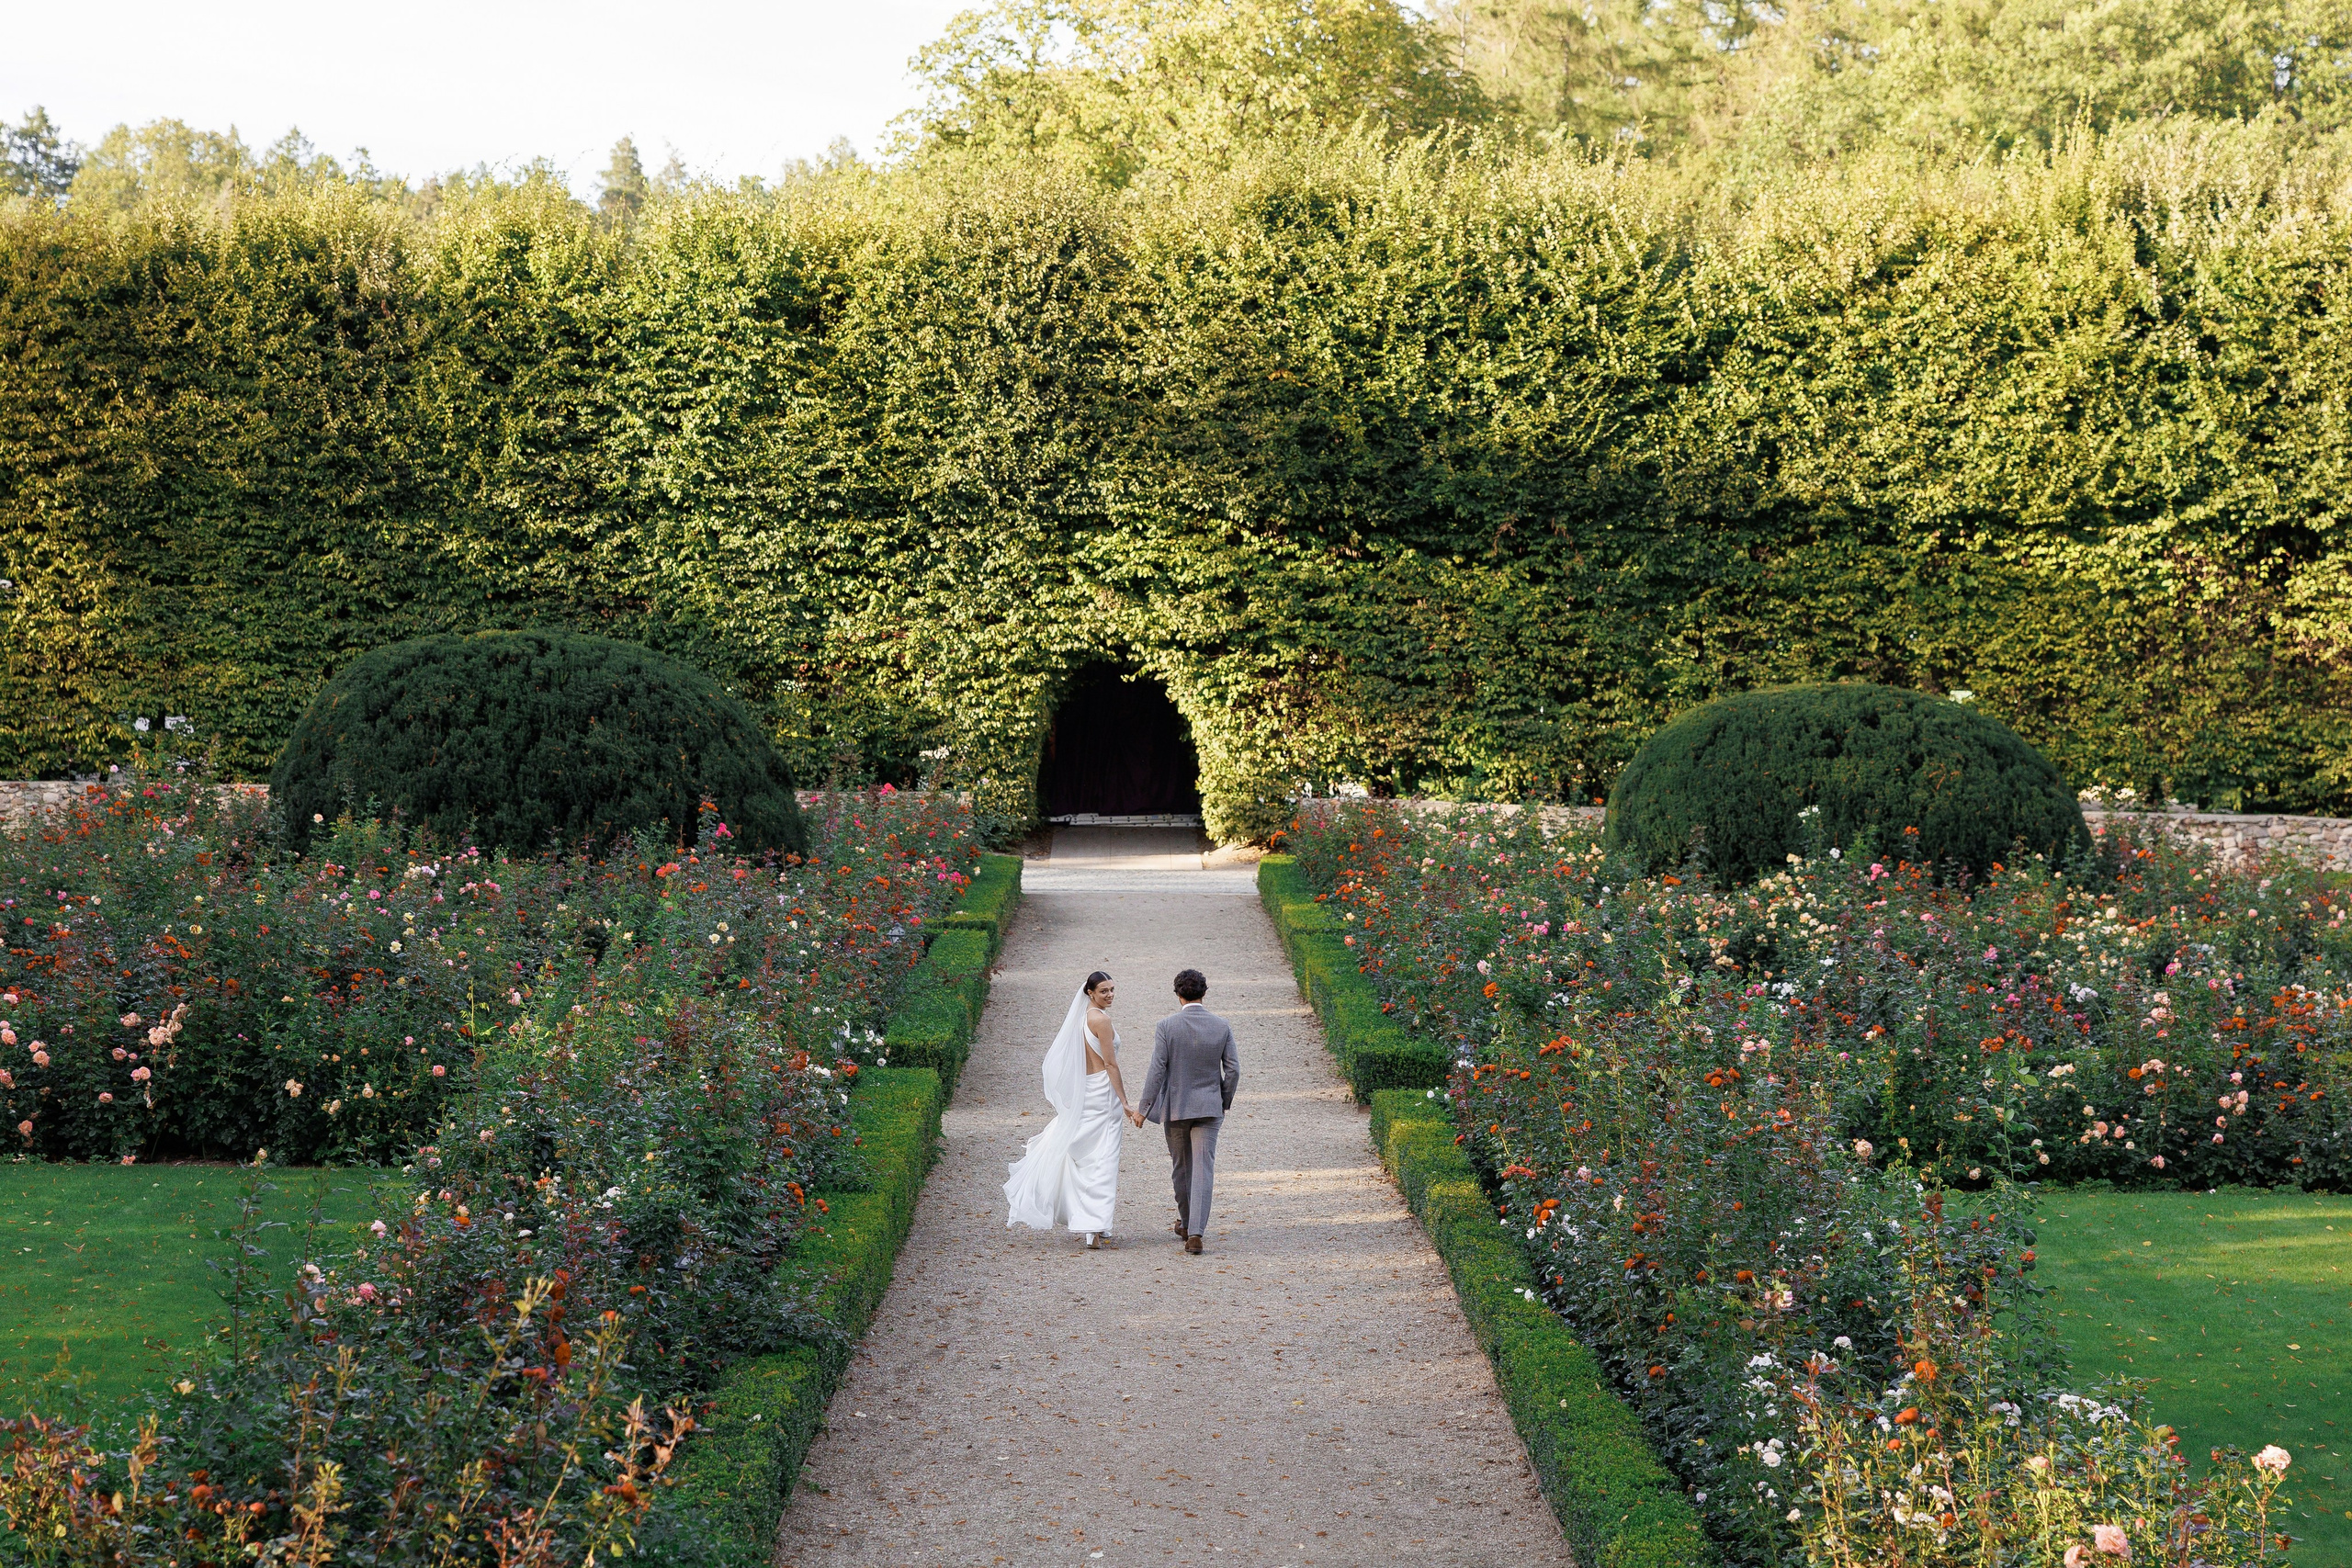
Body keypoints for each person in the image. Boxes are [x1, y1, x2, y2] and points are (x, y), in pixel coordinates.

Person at [1003, 971, 1134, 1249]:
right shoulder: (1102, 1020)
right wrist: (1123, 1100)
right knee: (1104, 1158)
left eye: (1112, 989)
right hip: (1102, 1093)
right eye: (1103, 991)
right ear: (1090, 993)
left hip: (1085, 1090)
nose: (1109, 995)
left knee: (1084, 1158)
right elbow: (1111, 1064)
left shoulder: (1081, 1019)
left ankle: (1094, 1224)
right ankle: (1094, 1225)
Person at [1132, 967, 1240, 1256]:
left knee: (1181, 1167)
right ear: (1204, 993)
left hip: (1176, 1107)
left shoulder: (1167, 1026)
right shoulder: (1222, 1025)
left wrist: (1143, 1110)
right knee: (1203, 1169)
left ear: (1178, 995)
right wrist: (1222, 1101)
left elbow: (1157, 1071)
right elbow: (1233, 1070)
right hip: (1209, 1107)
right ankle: (1195, 1232)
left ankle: (1187, 1222)